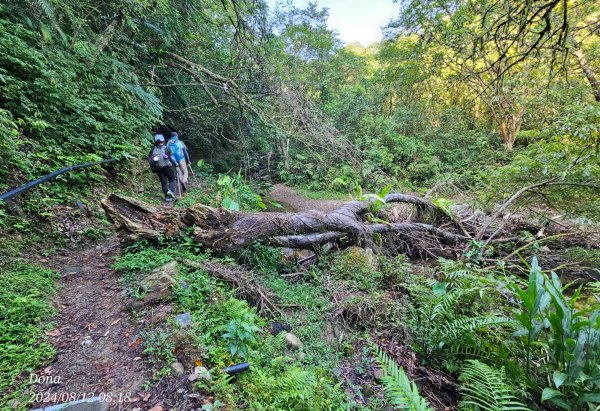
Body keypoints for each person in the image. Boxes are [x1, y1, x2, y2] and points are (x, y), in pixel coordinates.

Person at [148, 134, 178, 202]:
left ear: (155, 141)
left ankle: (168, 197)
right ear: (163, 141)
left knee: (163, 182)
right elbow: (172, 157)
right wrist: (176, 163)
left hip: (158, 168)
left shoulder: (153, 149)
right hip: (167, 167)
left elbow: (150, 159)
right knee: (172, 179)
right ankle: (170, 191)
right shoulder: (167, 148)